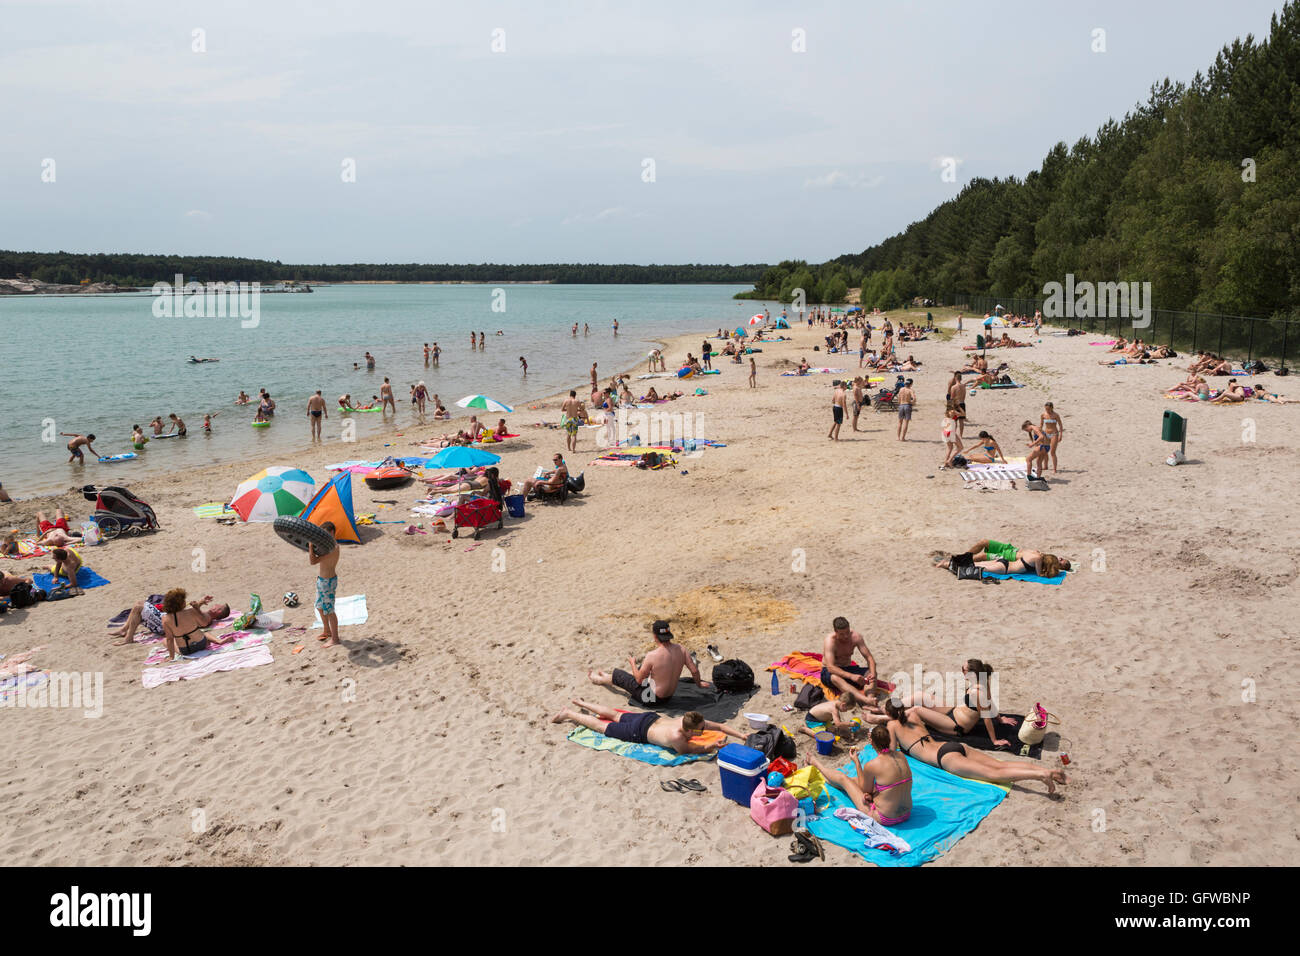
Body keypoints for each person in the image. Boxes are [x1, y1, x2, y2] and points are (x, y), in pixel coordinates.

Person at [885, 700, 1065, 794]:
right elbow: (908, 711)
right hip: (953, 746)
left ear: (889, 714)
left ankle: (1041, 775)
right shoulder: (914, 715)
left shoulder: (892, 725)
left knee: (995, 774)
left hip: (944, 758)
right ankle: (1047, 770)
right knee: (999, 764)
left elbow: (891, 751)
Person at [551, 700, 745, 754]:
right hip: (640, 731)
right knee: (603, 727)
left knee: (615, 715)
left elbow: (720, 726)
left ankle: (581, 702)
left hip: (649, 718)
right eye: (700, 730)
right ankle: (569, 713)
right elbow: (693, 750)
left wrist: (741, 735)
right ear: (687, 731)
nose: (703, 731)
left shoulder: (690, 720)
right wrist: (713, 746)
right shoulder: (677, 737)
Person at [811, 725, 913, 826]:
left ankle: (817, 764)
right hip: (907, 813)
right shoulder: (901, 755)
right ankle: (830, 780)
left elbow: (865, 789)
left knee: (844, 779)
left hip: (885, 818)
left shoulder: (873, 765)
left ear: (871, 742)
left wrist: (856, 762)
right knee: (856, 780)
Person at [588, 620, 709, 704]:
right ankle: (608, 677)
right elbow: (694, 670)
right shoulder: (682, 649)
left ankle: (600, 680)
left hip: (650, 699)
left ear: (655, 637)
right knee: (643, 669)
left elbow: (639, 680)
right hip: (668, 697)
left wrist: (632, 663)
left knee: (621, 675)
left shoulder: (652, 655)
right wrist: (698, 684)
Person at [907, 660, 1019, 747]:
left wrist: (994, 740)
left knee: (916, 709)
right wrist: (1000, 719)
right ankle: (891, 709)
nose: (961, 672)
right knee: (919, 696)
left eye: (963, 670)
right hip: (953, 711)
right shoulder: (983, 680)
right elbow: (990, 703)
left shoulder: (978, 693)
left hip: (955, 725)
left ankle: (890, 718)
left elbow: (986, 718)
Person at [821, 617, 878, 706]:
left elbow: (869, 658)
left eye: (847, 632)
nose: (846, 636)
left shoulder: (856, 637)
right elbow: (830, 668)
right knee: (835, 677)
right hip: (831, 672)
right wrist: (851, 676)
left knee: (870, 672)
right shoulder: (830, 641)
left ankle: (870, 698)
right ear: (835, 632)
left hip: (847, 668)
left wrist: (873, 673)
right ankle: (865, 700)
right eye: (842, 634)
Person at [158, 589, 217, 660]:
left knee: (165, 640)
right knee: (204, 633)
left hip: (186, 650)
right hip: (201, 644)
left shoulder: (165, 619)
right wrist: (197, 609)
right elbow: (204, 623)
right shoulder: (191, 611)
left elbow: (170, 639)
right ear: (181, 603)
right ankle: (216, 640)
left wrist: (171, 656)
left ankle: (176, 653)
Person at [309, 521, 341, 648]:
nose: (325, 536)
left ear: (333, 533)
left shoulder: (333, 548)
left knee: (329, 611)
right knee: (319, 606)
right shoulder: (325, 547)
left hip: (328, 582)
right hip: (322, 580)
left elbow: (313, 561)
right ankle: (327, 630)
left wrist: (310, 547)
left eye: (328, 534)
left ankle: (335, 639)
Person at [1040, 402, 1064, 473]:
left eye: (1048, 409)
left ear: (1051, 408)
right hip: (1046, 434)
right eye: (1046, 409)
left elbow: (1060, 425)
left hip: (1054, 434)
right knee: (1044, 451)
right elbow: (1041, 424)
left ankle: (1054, 469)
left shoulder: (1056, 415)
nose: (1047, 410)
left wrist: (1061, 435)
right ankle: (1045, 466)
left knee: (1052, 452)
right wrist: (1040, 433)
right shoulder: (1043, 415)